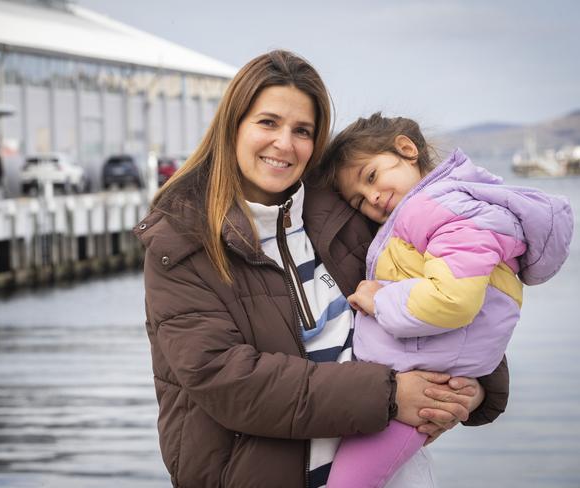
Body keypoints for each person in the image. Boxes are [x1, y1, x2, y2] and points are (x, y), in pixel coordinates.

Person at [134, 51, 510, 488]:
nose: (285, 144)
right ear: (233, 126)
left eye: (303, 131)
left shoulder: (347, 216)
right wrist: (391, 396)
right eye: (268, 122)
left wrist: (471, 389)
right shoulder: (180, 241)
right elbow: (226, 380)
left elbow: (450, 301)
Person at [321, 113, 573, 488]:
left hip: (424, 386)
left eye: (371, 176)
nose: (371, 198)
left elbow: (453, 299)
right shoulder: (425, 211)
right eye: (359, 201)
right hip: (417, 376)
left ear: (406, 150)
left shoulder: (442, 209)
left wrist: (380, 300)